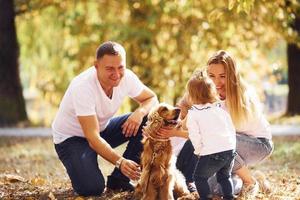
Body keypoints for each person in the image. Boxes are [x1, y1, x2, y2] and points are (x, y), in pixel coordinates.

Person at [159, 50, 273, 198]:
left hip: (258, 144)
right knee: (213, 188)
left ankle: (250, 181)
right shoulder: (207, 94)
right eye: (211, 76)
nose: (216, 82)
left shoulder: (238, 98)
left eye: (222, 76)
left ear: (231, 76)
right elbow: (185, 122)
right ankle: (251, 178)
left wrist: (176, 133)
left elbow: (213, 137)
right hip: (231, 145)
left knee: (221, 143)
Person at [52, 41, 158, 196]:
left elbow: (151, 98)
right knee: (92, 189)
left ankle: (119, 180)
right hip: (71, 139)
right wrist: (120, 161)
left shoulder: (127, 77)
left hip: (101, 129)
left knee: (150, 119)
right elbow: (92, 138)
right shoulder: (82, 87)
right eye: (109, 68)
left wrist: (140, 112)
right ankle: (82, 163)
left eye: (120, 67)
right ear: (96, 66)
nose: (116, 74)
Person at [185, 71, 236, 200]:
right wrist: (232, 147)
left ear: (191, 95)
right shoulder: (219, 110)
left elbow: (194, 135)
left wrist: (198, 151)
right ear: (212, 92)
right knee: (225, 176)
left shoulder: (193, 113)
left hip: (211, 152)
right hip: (229, 150)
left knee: (199, 177)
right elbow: (231, 129)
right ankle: (229, 197)